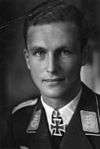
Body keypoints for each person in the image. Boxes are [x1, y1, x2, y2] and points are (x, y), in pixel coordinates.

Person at [2, 0, 100, 149]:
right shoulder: (18, 120)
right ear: (28, 59)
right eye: (39, 53)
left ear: (84, 55)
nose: (51, 68)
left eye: (64, 52)